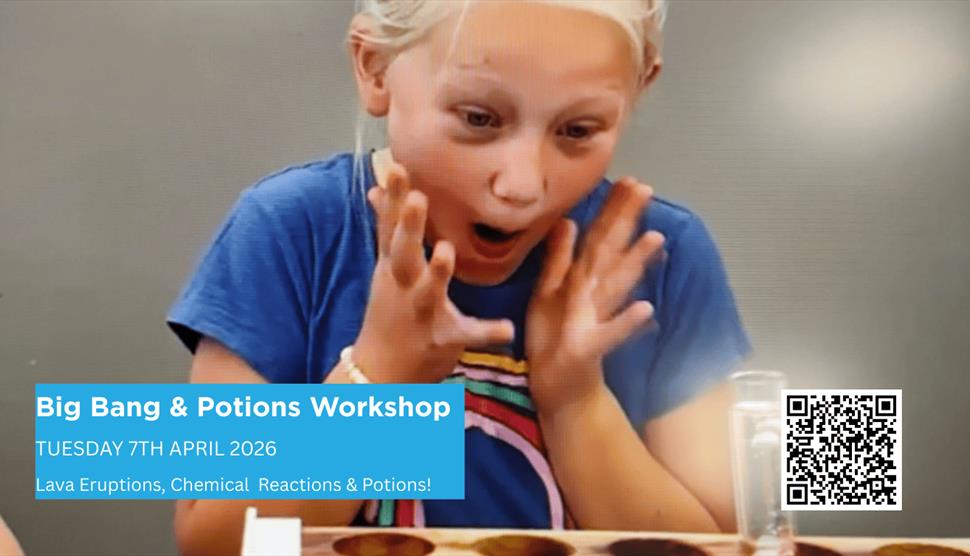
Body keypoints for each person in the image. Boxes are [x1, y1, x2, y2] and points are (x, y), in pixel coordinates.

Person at [168, 1, 752, 554]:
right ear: (375, 69)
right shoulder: (289, 230)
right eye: (479, 118)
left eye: (576, 131)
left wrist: (576, 403)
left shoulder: (666, 256)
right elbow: (214, 540)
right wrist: (380, 377)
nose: (522, 186)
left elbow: (725, 546)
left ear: (639, 88)